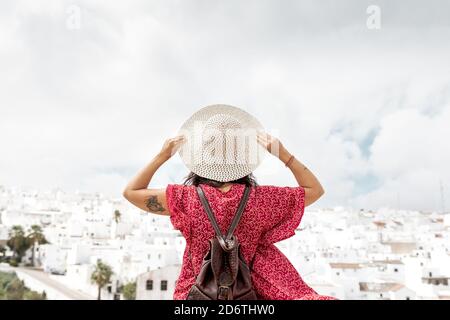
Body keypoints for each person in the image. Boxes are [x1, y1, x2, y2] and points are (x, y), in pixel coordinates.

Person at [123, 104, 336, 300]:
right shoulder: (262, 201)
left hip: (196, 295)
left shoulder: (184, 199)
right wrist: (284, 155)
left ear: (200, 157)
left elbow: (131, 192)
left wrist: (162, 156)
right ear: (244, 157)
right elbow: (315, 190)